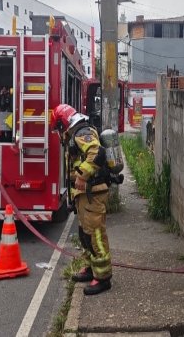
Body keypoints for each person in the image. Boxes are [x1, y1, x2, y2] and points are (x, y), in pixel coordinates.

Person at [52, 104, 112, 295]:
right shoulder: (77, 132)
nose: (60, 133)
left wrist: (82, 176)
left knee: (95, 235)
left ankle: (103, 278)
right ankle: (91, 269)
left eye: (58, 128)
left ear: (63, 123)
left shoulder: (82, 132)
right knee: (85, 234)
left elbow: (97, 153)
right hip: (85, 194)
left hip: (93, 192)